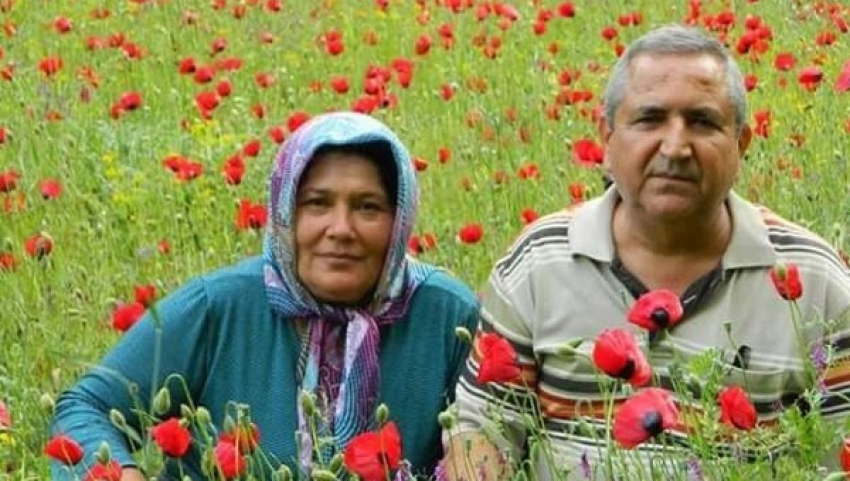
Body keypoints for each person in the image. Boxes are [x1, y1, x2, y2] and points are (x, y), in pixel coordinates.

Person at [444, 25, 850, 480]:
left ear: (741, 144)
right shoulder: (539, 263)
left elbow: (841, 453)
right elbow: (482, 432)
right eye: (649, 119)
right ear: (607, 138)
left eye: (702, 121)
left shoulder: (814, 280)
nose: (675, 147)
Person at [49, 112, 479, 480]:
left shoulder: (446, 316)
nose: (341, 228)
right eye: (317, 203)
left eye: (368, 207)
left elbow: (504, 436)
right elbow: (85, 407)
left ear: (400, 219)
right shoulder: (219, 307)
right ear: (285, 213)